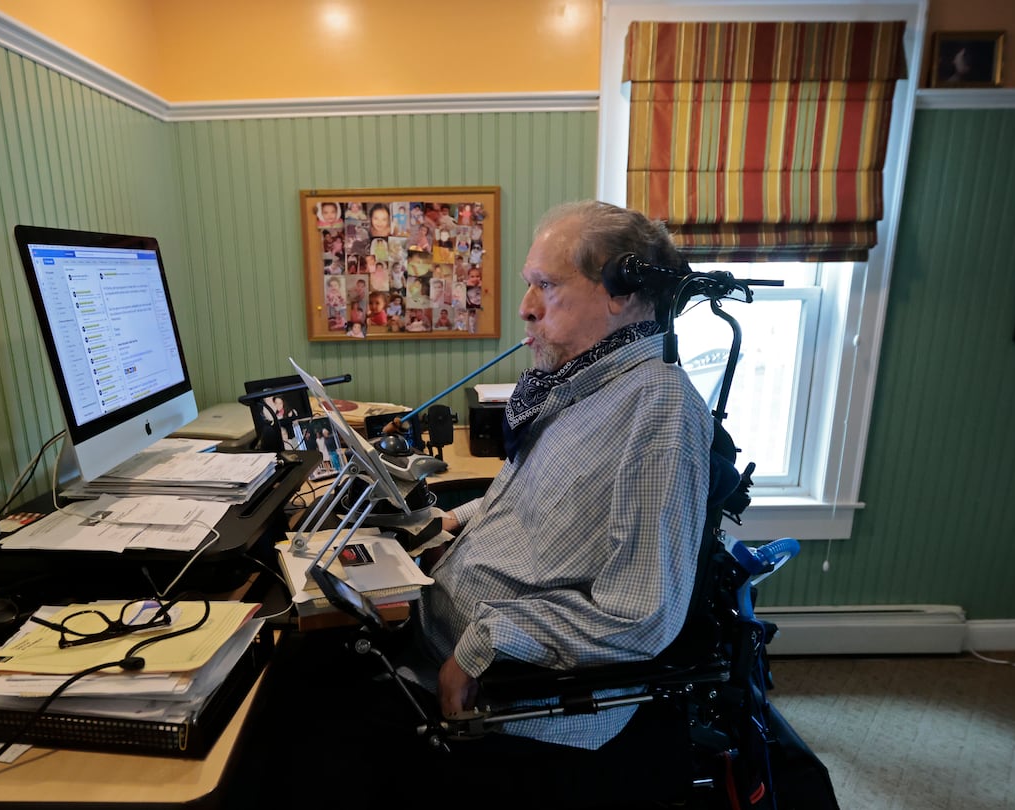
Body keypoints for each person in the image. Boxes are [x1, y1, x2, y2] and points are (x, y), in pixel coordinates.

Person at [235, 201, 713, 808]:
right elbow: (532, 498)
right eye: (528, 285)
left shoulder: (657, 412)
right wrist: (448, 522)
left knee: (288, 735)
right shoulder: (581, 386)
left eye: (546, 286)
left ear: (620, 292)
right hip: (435, 638)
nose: (525, 308)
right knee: (288, 671)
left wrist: (482, 643)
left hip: (513, 696)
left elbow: (642, 613)